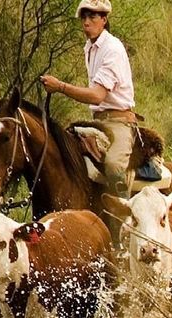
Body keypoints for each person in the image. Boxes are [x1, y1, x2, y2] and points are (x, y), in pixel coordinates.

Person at [40, 0, 137, 198]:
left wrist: (60, 86)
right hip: (98, 121)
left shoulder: (113, 49)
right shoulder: (90, 47)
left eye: (93, 16)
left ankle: (123, 215)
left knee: (112, 165)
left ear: (104, 19)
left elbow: (97, 95)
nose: (86, 22)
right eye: (84, 17)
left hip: (120, 123)